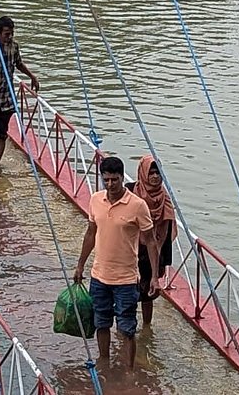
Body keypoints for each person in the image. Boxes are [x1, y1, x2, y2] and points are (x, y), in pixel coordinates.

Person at [72, 156, 157, 368]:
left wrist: (155, 276)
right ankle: (104, 362)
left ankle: (129, 371)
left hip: (126, 279)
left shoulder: (138, 206)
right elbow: (90, 233)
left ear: (122, 178)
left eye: (115, 180)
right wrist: (80, 264)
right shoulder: (95, 200)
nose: (110, 185)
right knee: (101, 322)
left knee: (127, 327)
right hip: (99, 276)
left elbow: (151, 241)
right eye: (106, 180)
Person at [0, 16, 39, 165]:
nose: (9, 37)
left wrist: (32, 76)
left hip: (6, 98)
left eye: (11, 33)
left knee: (2, 134)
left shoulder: (14, 47)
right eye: (6, 34)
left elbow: (18, 63)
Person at [133, 154, 175, 327]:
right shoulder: (132, 193)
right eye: (151, 173)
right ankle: (127, 325)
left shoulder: (164, 198)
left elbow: (168, 227)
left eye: (158, 173)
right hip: (133, 247)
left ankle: (147, 327)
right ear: (143, 173)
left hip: (155, 249)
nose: (155, 177)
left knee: (149, 292)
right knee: (130, 289)